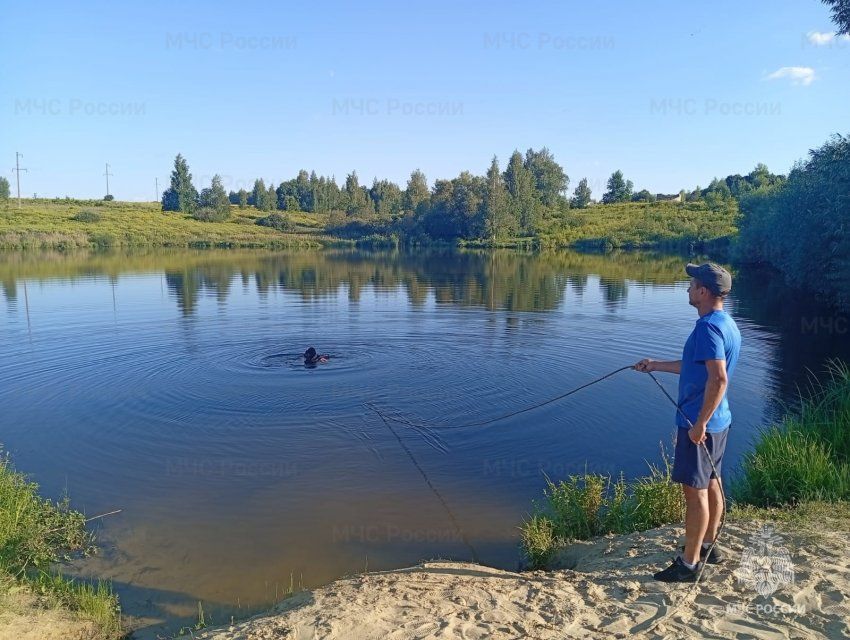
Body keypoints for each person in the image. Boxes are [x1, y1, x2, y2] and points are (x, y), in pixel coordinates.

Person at [634, 262, 741, 583]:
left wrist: (698, 423)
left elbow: (718, 378)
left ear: (704, 292)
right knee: (711, 484)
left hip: (701, 424)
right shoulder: (726, 323)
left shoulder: (707, 328)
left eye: (692, 284)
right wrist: (656, 365)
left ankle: (690, 564)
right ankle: (708, 546)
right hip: (720, 421)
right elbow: (698, 368)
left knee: (694, 494)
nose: (688, 289)